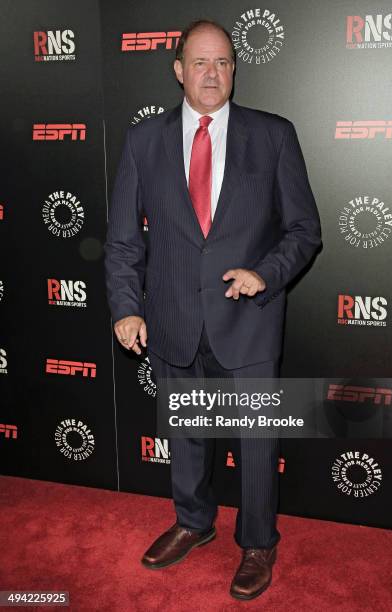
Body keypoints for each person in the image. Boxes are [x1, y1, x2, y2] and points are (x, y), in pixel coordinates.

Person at [104, 19, 322, 600]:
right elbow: (125, 239)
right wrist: (126, 306)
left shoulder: (273, 135)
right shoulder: (143, 141)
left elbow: (304, 230)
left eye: (223, 62)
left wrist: (266, 273)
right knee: (190, 434)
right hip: (173, 316)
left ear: (235, 69)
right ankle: (194, 522)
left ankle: (257, 542)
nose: (212, 73)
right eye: (199, 63)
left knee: (256, 446)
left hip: (247, 320)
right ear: (178, 70)